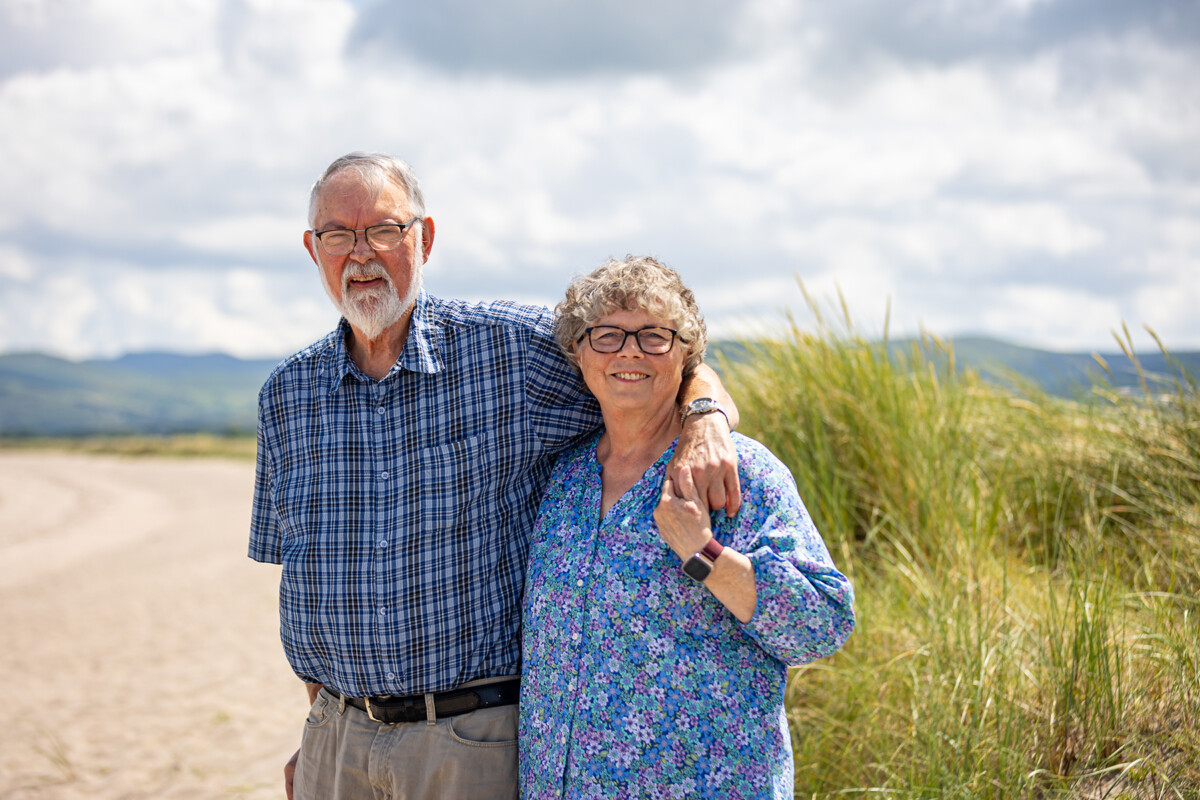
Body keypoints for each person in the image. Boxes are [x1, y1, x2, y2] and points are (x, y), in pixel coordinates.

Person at [248, 153, 742, 800]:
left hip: (470, 742)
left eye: (384, 230)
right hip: (336, 742)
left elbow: (655, 356)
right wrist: (320, 727)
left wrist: (705, 417)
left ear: (423, 239)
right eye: (338, 234)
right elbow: (304, 580)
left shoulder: (510, 351)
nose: (361, 254)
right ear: (314, 251)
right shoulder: (286, 395)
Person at [519, 256, 856, 799]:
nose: (630, 351)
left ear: (686, 356)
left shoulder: (737, 471)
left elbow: (823, 622)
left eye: (654, 335)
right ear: (578, 354)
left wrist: (705, 554)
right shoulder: (563, 479)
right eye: (607, 335)